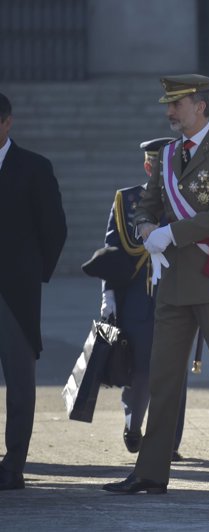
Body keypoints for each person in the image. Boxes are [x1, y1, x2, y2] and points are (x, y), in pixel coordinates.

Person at [103, 75, 209, 496]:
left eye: (177, 104)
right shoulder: (168, 154)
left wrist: (170, 233)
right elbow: (147, 205)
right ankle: (151, 471)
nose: (170, 112)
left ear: (200, 106)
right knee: (163, 380)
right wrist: (146, 228)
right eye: (169, 105)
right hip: (172, 283)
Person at [93, 137, 188, 461]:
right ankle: (134, 424)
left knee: (175, 370)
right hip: (137, 299)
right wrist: (108, 294)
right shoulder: (126, 200)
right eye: (157, 166)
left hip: (177, 294)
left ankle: (168, 441)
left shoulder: (187, 201)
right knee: (141, 369)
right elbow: (112, 251)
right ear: (148, 167)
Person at [0, 91, 67, 490]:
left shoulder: (34, 167)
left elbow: (54, 228)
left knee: (20, 383)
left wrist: (32, 274)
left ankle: (13, 465)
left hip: (16, 294)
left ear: (7, 123)